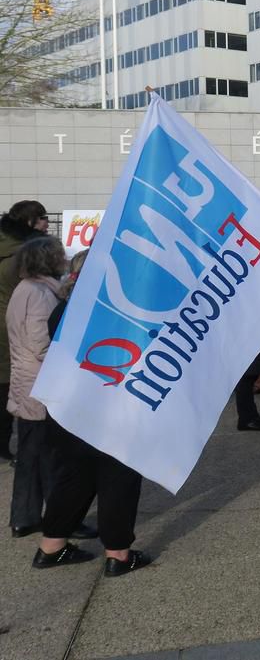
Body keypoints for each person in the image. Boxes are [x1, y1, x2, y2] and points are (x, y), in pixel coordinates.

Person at [35, 249, 145, 574]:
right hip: (108, 409)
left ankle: (51, 546)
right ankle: (118, 554)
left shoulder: (63, 310)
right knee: (117, 478)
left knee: (74, 478)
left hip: (67, 408)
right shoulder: (112, 314)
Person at [7, 236, 67, 538]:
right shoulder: (41, 293)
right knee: (50, 458)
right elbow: (40, 343)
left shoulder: (25, 289)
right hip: (40, 383)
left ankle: (25, 517)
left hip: (26, 381)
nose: (64, 258)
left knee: (31, 456)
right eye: (59, 254)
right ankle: (60, 518)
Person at [0, 201, 49, 463]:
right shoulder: (26, 254)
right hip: (16, 326)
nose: (46, 222)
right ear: (29, 222)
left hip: (8, 324)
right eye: (41, 217)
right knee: (17, 386)